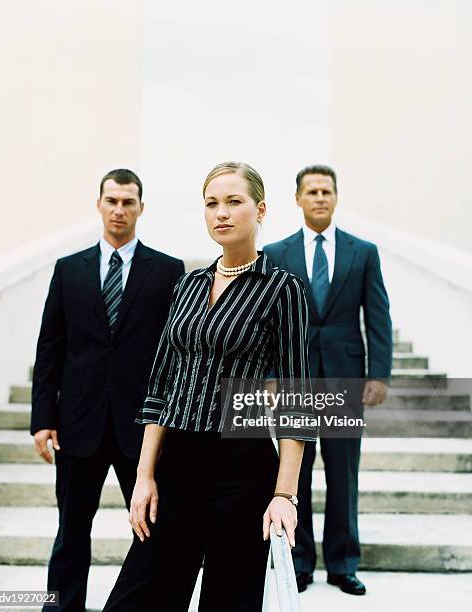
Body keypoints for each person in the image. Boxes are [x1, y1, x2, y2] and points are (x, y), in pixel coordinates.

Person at [103, 162, 314, 612]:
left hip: (242, 464)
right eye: (212, 203)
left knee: (228, 600)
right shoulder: (188, 285)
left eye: (234, 202)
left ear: (260, 211)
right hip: (177, 462)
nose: (221, 212)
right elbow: (161, 385)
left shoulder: (283, 289)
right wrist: (144, 477)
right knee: (138, 598)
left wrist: (284, 495)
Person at [30, 169, 185, 611]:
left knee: (153, 524)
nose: (119, 210)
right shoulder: (68, 270)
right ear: (99, 204)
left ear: (141, 207)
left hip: (141, 425)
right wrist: (43, 418)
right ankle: (60, 606)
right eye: (112, 201)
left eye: (128, 202)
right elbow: (51, 348)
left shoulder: (168, 271)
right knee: (72, 528)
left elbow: (173, 352)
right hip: (79, 424)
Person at [264, 164, 392, 596]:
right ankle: (298, 563)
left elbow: (377, 315)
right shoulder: (277, 253)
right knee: (294, 477)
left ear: (335, 198)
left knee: (343, 476)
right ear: (298, 199)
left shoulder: (363, 251)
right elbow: (265, 320)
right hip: (294, 379)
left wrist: (378, 374)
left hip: (344, 378)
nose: (319, 197)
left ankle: (342, 564)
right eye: (311, 191)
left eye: (326, 191)